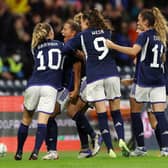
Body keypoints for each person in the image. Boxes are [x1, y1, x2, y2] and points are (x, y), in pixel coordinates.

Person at [63, 9, 130, 158]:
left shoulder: (82, 35)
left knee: (102, 114)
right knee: (116, 112)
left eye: (81, 22)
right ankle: (121, 139)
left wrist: (79, 53)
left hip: (95, 77)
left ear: (87, 22)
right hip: (112, 74)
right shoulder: (107, 32)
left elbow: (66, 48)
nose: (80, 25)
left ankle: (110, 150)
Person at [106, 7, 168, 156]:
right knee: (160, 114)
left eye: (139, 20)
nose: (137, 23)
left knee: (135, 111)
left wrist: (113, 46)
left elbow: (133, 52)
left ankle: (141, 148)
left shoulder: (144, 35)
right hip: (159, 81)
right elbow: (161, 60)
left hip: (144, 82)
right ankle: (165, 149)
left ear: (146, 22)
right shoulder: (161, 37)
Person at [42, 19, 102, 160]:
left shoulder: (74, 46)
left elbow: (77, 68)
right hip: (78, 83)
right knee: (76, 113)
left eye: (65, 29)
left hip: (81, 83)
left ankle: (93, 136)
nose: (62, 32)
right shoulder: (71, 44)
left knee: (65, 112)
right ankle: (85, 148)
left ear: (73, 32)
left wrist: (75, 89)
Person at [14, 22, 65, 160]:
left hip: (33, 85)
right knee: (42, 122)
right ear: (50, 33)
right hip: (50, 86)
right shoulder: (61, 46)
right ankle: (35, 152)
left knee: (25, 120)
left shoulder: (35, 48)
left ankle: (19, 152)